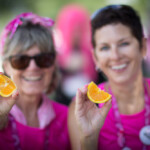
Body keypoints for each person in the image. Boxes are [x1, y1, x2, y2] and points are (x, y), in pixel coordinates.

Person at [68, 4, 150, 150]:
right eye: (105, 47)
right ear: (95, 58)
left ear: (143, 47)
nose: (115, 56)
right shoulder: (82, 108)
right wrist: (89, 138)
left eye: (124, 43)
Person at [0, 12, 71, 150]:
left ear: (53, 64)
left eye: (43, 59)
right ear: (6, 66)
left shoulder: (69, 118)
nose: (33, 67)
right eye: (21, 60)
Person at [53, 4, 102, 105]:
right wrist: (65, 66)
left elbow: (100, 80)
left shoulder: (92, 50)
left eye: (80, 29)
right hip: (65, 103)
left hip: (90, 102)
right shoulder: (57, 52)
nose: (76, 34)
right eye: (73, 29)